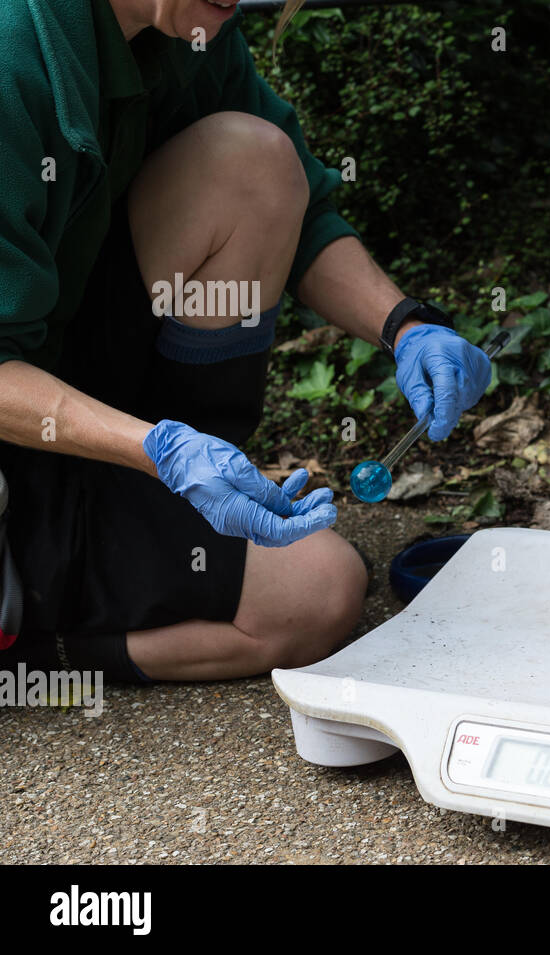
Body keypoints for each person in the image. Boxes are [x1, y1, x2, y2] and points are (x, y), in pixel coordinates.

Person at [0, 0, 491, 683]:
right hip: (14, 454)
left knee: (253, 160)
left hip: (76, 399)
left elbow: (307, 212)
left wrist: (407, 325)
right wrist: (157, 449)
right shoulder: (12, 53)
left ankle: (178, 500)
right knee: (318, 595)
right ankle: (30, 647)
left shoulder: (191, 27)